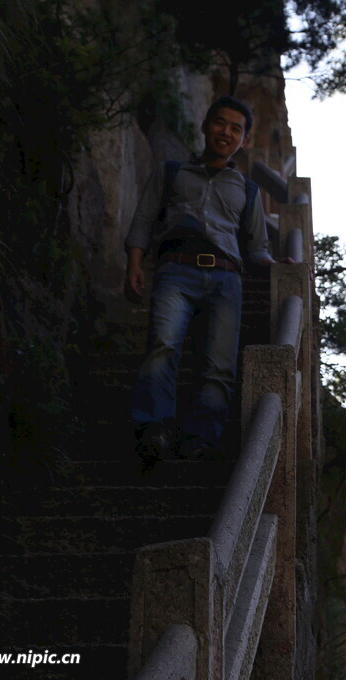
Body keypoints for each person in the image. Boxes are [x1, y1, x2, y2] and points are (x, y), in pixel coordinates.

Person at [123, 95, 289, 468]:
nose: (225, 132)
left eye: (235, 129)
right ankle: (153, 429)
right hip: (175, 270)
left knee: (219, 364)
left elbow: (257, 248)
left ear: (244, 140)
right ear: (205, 125)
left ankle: (201, 437)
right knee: (163, 346)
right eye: (220, 123)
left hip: (227, 279)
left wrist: (278, 263)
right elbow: (143, 221)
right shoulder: (170, 172)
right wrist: (134, 265)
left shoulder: (247, 190)